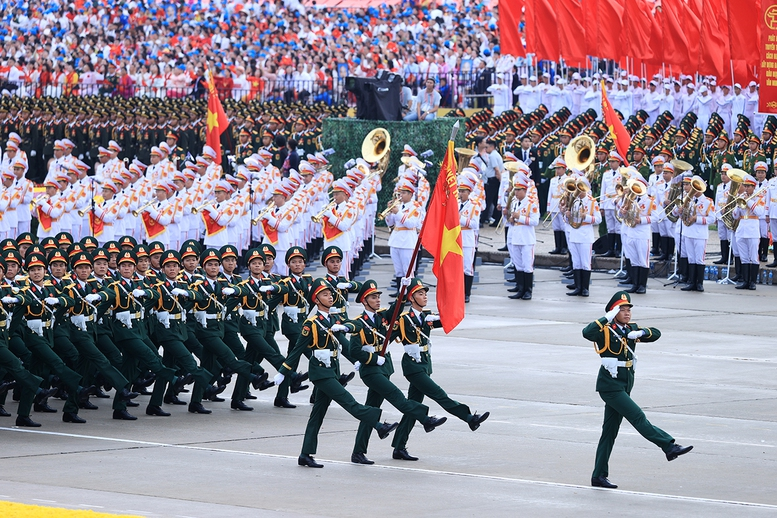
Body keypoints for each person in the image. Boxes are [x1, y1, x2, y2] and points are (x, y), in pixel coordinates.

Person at [275, 278, 398, 468]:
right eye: (325, 294)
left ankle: (305, 455)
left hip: (332, 370)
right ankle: (379, 425)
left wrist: (357, 360)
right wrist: (284, 371)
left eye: (331, 294)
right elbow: (297, 350)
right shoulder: (311, 324)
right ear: (316, 300)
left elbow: (346, 342)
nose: (330, 297)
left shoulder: (334, 320)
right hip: (320, 374)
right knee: (349, 402)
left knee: (317, 415)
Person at [582, 291, 693, 489]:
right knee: (638, 417)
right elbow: (587, 332)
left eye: (628, 310)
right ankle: (669, 446)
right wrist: (605, 318)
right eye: (622, 310)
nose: (627, 313)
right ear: (613, 312)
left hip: (625, 384)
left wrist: (641, 333)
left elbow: (656, 333)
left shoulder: (630, 329)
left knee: (609, 432)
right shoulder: (606, 330)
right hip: (610, 386)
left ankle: (598, 476)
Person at [347, 280, 447, 464]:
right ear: (364, 301)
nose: (377, 300)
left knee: (371, 410)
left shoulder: (381, 317)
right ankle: (425, 418)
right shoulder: (359, 323)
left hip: (384, 369)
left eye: (378, 297)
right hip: (371, 370)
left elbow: (395, 310)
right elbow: (354, 351)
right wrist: (372, 358)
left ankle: (358, 452)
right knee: (395, 395)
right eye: (373, 297)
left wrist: (403, 290)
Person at [390, 278, 489, 461]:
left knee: (413, 408)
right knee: (438, 394)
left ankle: (399, 447)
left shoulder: (426, 316)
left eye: (425, 293)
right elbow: (386, 337)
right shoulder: (404, 320)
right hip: (413, 367)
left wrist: (452, 301)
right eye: (420, 293)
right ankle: (468, 418)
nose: (425, 296)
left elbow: (445, 321)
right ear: (411, 298)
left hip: (425, 365)